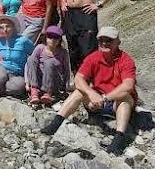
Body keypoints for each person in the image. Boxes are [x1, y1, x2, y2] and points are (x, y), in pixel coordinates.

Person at [40, 26, 136, 155]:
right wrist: (91, 94)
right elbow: (79, 79)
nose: (104, 43)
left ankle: (119, 138)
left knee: (125, 98)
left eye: (109, 40)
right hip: (96, 99)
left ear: (118, 42)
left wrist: (104, 98)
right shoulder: (93, 57)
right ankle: (56, 123)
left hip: (113, 102)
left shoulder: (126, 60)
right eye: (101, 40)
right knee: (78, 91)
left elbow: (128, 85)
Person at [25, 25, 70, 106]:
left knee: (49, 63)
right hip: (39, 79)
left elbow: (66, 69)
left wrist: (65, 86)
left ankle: (47, 92)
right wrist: (27, 82)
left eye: (56, 37)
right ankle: (34, 90)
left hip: (54, 81)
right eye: (50, 37)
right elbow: (29, 64)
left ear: (59, 40)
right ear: (46, 37)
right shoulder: (40, 48)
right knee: (30, 59)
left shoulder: (63, 52)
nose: (52, 40)